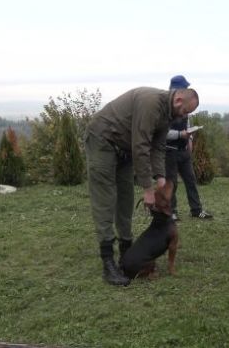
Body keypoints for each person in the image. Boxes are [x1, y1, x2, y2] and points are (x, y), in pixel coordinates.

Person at [85, 86, 199, 286]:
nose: (185, 116)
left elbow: (158, 146)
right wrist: (148, 189)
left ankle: (126, 253)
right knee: (106, 200)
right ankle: (108, 263)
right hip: (103, 140)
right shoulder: (151, 102)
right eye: (185, 111)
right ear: (179, 99)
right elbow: (141, 146)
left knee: (126, 198)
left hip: (124, 148)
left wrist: (161, 179)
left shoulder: (168, 114)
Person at [165, 75, 213, 220]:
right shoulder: (166, 108)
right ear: (177, 89)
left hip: (184, 151)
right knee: (171, 183)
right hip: (169, 152)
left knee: (191, 181)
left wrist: (190, 138)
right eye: (184, 87)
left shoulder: (185, 108)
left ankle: (196, 210)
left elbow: (188, 125)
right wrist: (180, 134)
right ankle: (171, 212)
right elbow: (163, 133)